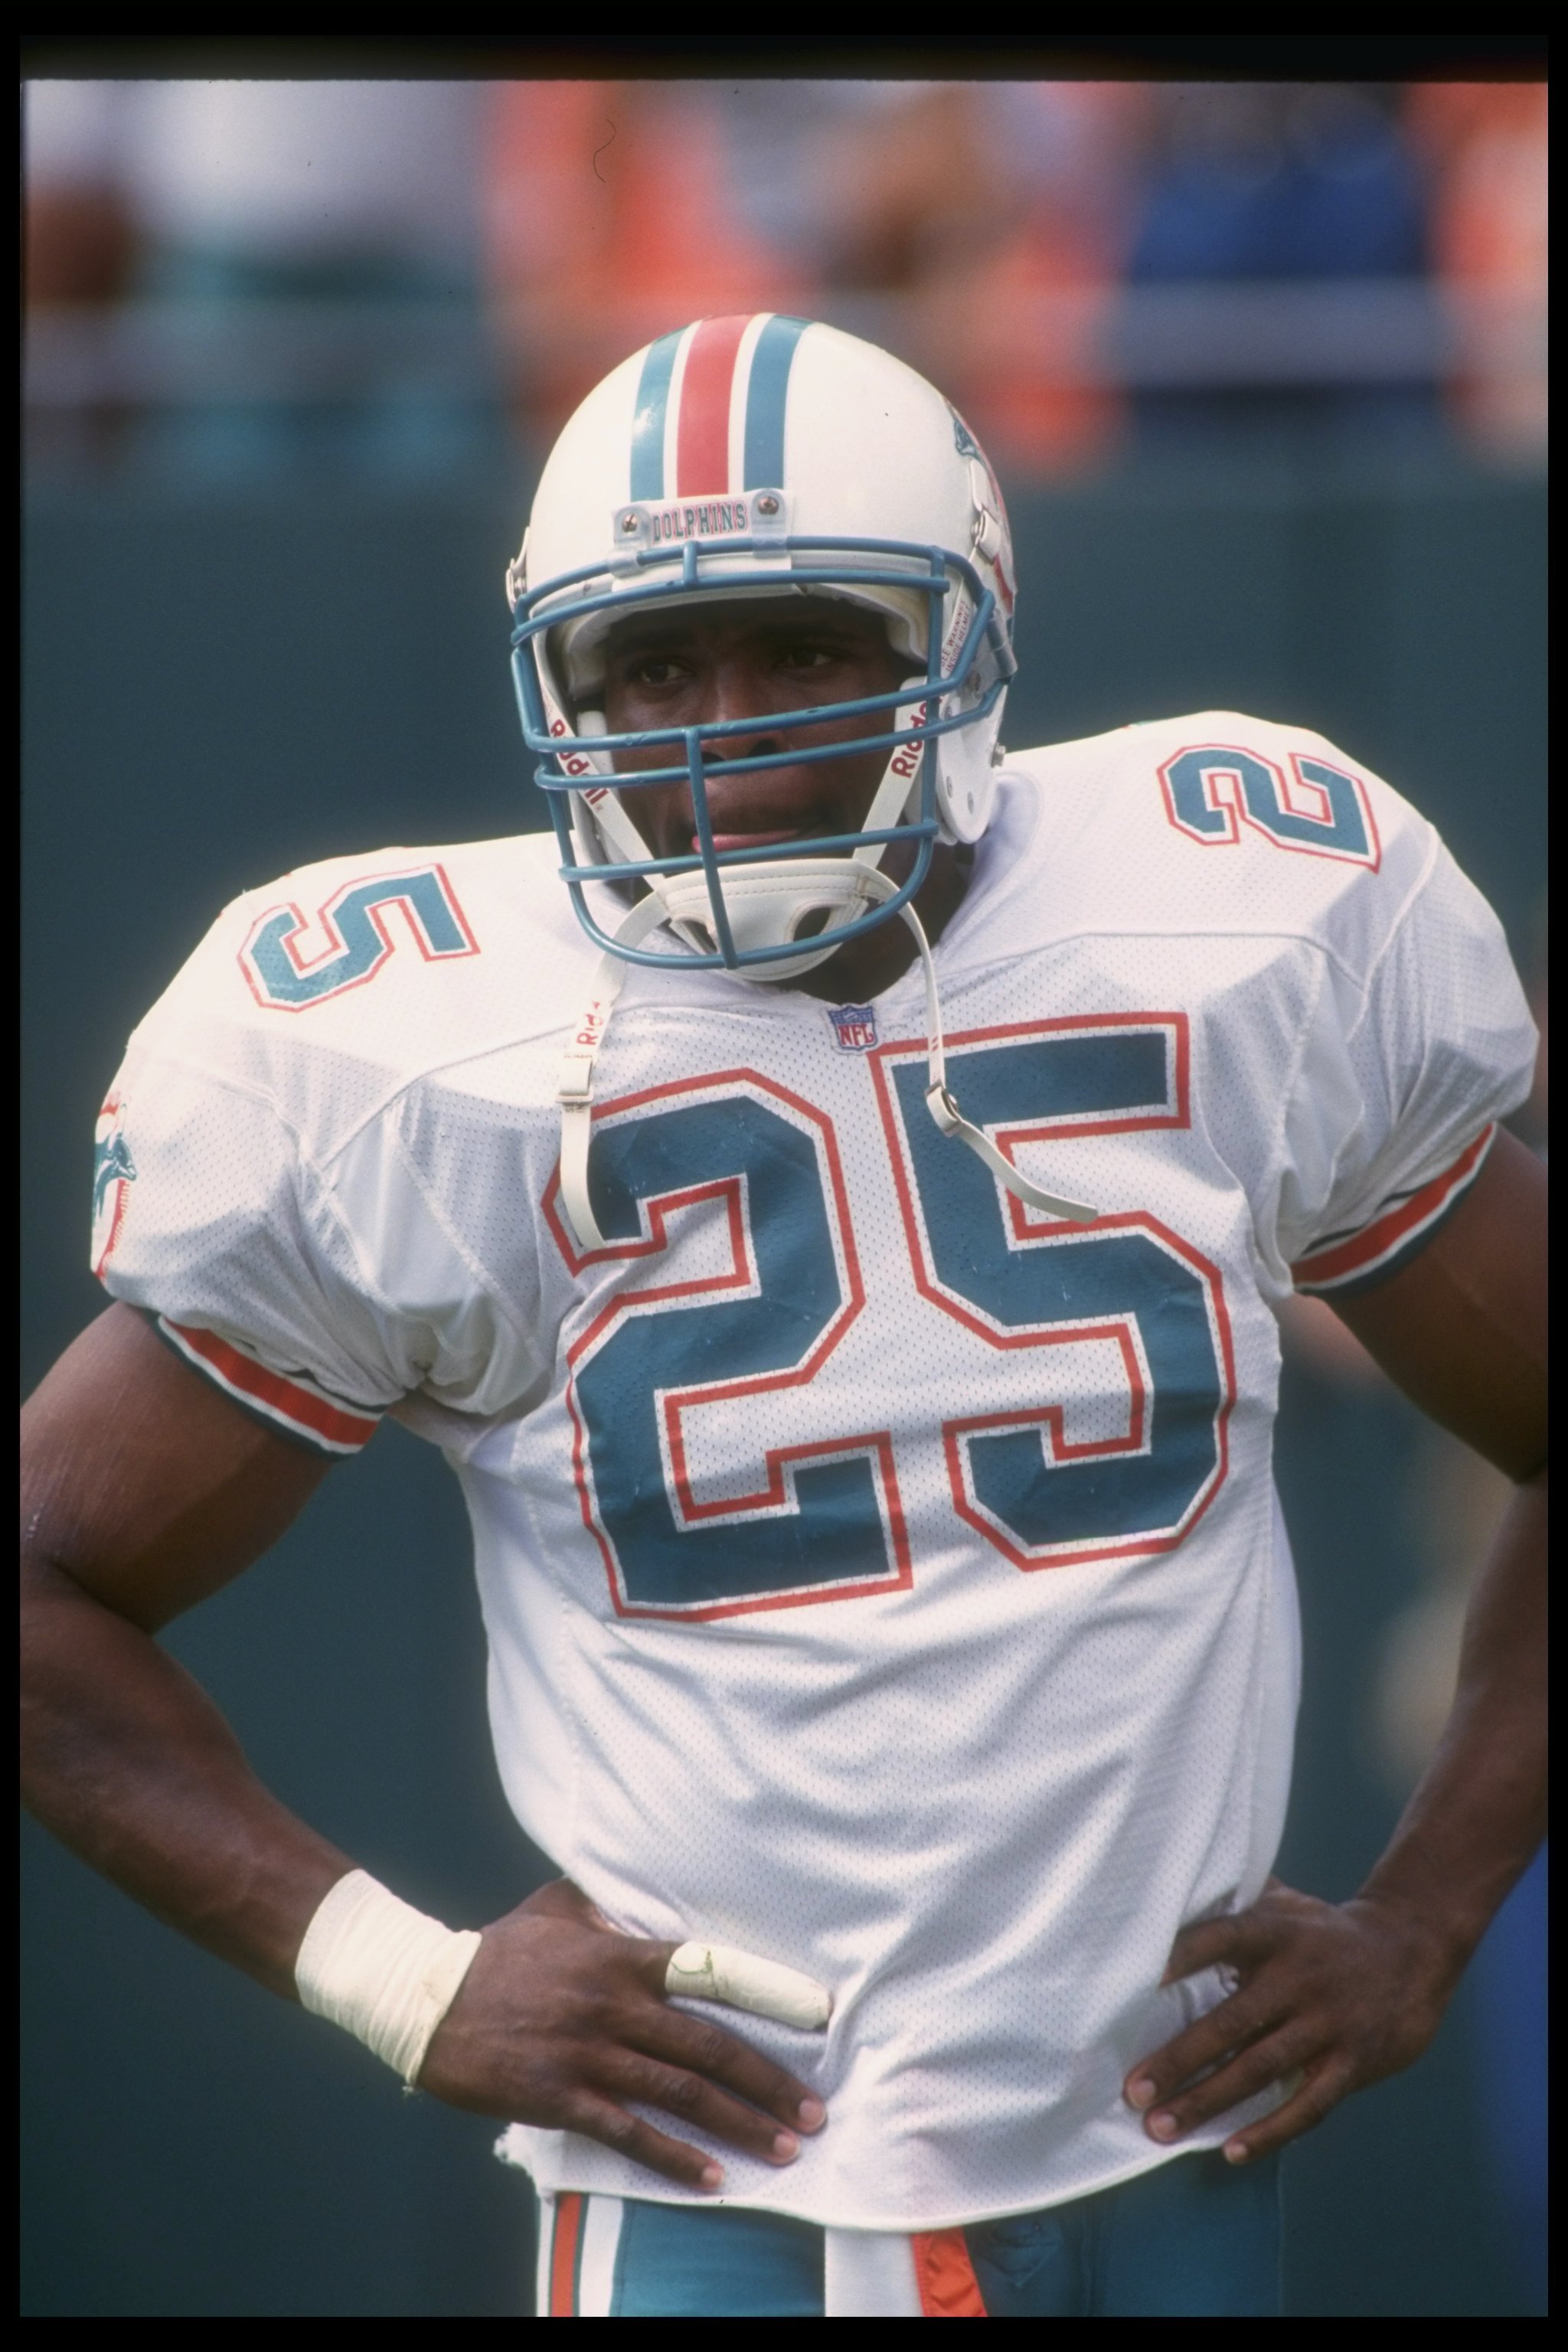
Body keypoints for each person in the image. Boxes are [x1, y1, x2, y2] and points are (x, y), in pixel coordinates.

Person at [21, 315, 1544, 2319]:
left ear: (960, 646)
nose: (715, 732)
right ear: (553, 680)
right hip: (735, 2209)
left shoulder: (1238, 907)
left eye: (806, 647)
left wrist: (1430, 1916)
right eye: (646, 667)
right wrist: (405, 1982)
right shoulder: (401, 1050)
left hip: (1186, 2169)